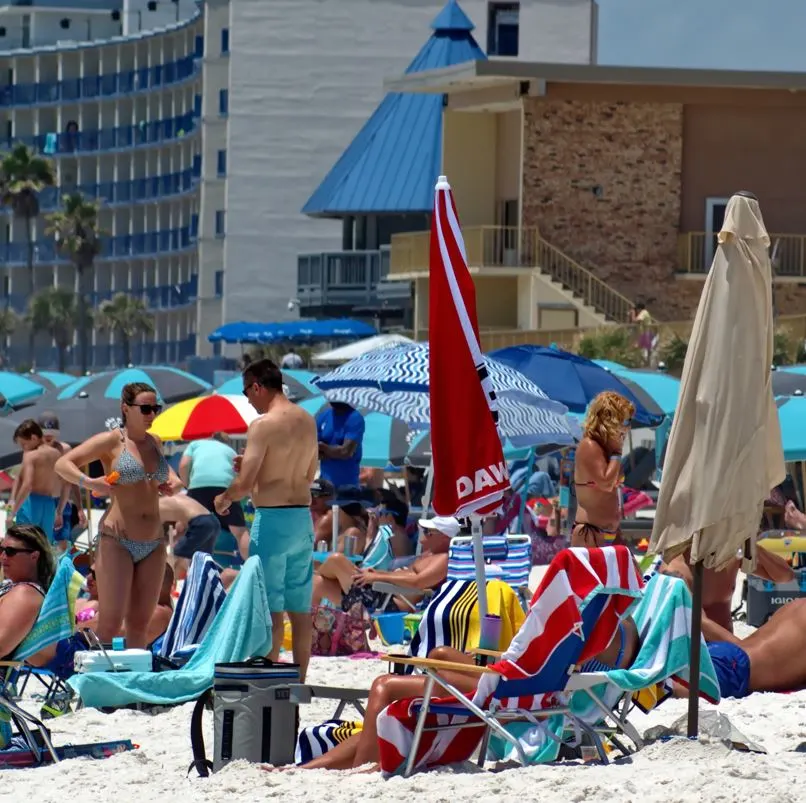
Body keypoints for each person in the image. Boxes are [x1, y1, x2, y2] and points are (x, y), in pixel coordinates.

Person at [297, 614, 640, 771]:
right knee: (441, 654)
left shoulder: (610, 627)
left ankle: (364, 769)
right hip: (525, 684)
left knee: (383, 687)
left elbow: (566, 667)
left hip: (526, 696)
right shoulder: (598, 616)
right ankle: (308, 768)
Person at [54, 382, 183, 649]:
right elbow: (62, 464)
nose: (151, 415)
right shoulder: (111, 441)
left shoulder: (155, 442)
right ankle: (99, 685)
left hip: (154, 542)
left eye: (155, 409)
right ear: (126, 408)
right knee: (111, 623)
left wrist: (173, 485)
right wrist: (91, 483)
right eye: (145, 408)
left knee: (139, 625)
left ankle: (132, 686)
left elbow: (172, 478)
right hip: (117, 538)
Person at [214, 358, 318, 682]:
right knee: (300, 613)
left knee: (270, 611)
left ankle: (269, 684)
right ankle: (299, 683)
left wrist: (224, 498)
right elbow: (308, 472)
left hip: (271, 522)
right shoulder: (307, 419)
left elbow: (244, 486)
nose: (248, 400)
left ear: (258, 386)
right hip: (302, 518)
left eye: (247, 392)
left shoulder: (262, 424)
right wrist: (255, 468)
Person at [310, 515, 457, 613]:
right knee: (316, 583)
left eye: (428, 532)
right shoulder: (429, 555)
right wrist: (377, 574)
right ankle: (315, 631)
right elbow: (409, 575)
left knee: (337, 560)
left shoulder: (444, 559)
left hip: (391, 604)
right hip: (381, 593)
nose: (423, 533)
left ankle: (358, 614)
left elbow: (418, 582)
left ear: (444, 537)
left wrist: (378, 577)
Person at [671, 597, 806, 698]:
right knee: (666, 690)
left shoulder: (794, 605)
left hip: (723, 652)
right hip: (736, 670)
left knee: (663, 679)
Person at [662, 545, 793, 637]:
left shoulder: (731, 554)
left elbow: (785, 576)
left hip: (727, 649)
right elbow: (699, 622)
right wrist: (744, 648)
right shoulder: (675, 566)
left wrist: (753, 545)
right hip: (692, 652)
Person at [571, 391, 636, 548]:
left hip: (608, 532)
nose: (628, 428)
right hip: (590, 533)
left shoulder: (606, 451)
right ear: (610, 421)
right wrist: (618, 452)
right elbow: (606, 483)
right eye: (625, 422)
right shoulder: (589, 446)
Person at [178, 433, 249, 559]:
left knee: (185, 527)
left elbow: (183, 465)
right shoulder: (230, 450)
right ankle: (252, 567)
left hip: (198, 484)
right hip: (224, 486)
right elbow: (238, 473)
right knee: (239, 532)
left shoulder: (195, 444)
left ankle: (179, 567)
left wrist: (188, 486)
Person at [0, 524, 54, 661]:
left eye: (10, 551)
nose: (3, 556)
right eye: (1, 549)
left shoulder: (25, 593)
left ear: (34, 556)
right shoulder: (13, 587)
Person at [37, 412, 87, 552]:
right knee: (41, 545)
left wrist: (80, 507)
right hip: (41, 501)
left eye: (51, 432)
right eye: (45, 432)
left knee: (62, 545)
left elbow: (72, 479)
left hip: (62, 501)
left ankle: (61, 572)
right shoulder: (35, 452)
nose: (48, 436)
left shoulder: (65, 450)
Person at [7, 420, 63, 543]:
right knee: (44, 546)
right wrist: (59, 510)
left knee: (24, 544)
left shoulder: (31, 456)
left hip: (31, 503)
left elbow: (27, 485)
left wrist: (13, 513)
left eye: (23, 444)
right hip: (49, 503)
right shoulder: (57, 454)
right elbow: (63, 484)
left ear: (33, 438)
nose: (23, 448)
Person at [159, 493, 221, 576]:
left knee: (176, 558)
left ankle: (171, 585)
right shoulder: (177, 497)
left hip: (200, 523)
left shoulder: (156, 506)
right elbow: (182, 528)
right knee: (203, 562)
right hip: (213, 521)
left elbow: (156, 537)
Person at [316, 401, 365, 489]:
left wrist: (323, 447)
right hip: (325, 483)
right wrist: (334, 452)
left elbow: (346, 452)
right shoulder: (323, 416)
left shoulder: (355, 417)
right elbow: (313, 452)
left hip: (348, 486)